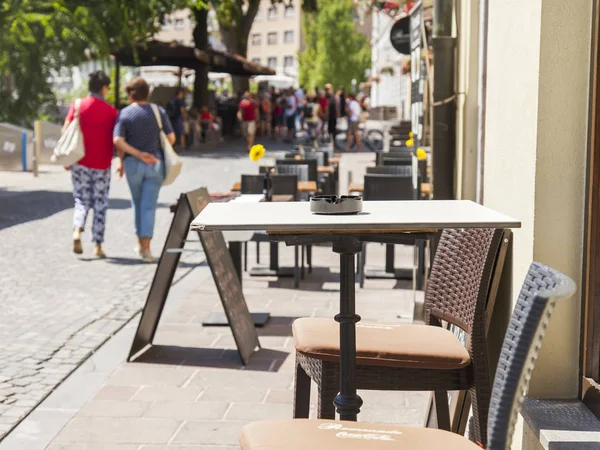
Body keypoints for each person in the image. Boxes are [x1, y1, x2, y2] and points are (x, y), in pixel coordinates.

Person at [113, 77, 176, 263]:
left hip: (133, 164)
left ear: (130, 94)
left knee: (137, 203)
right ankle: (146, 248)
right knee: (149, 206)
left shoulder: (124, 114)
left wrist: (136, 155)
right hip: (155, 163)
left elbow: (118, 141)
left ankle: (139, 243)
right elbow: (171, 138)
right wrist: (151, 149)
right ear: (147, 93)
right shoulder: (158, 111)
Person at [64, 71, 118, 258]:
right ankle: (97, 245)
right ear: (103, 88)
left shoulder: (78, 105)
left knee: (81, 199)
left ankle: (77, 229)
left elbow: (66, 130)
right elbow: (116, 138)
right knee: (100, 203)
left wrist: (67, 159)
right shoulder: (110, 112)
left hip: (80, 161)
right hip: (102, 163)